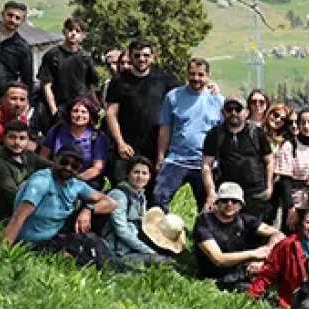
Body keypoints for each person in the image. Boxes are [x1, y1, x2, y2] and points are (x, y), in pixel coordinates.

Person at [3, 147, 116, 246]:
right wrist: (4, 248)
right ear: (55, 159)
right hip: (36, 241)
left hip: (58, 235)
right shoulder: (41, 181)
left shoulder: (75, 184)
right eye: (64, 162)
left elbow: (112, 203)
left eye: (74, 166)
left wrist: (88, 210)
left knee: (107, 207)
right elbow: (18, 217)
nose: (68, 167)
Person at [153, 58, 224, 212]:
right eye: (192, 74)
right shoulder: (173, 97)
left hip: (205, 164)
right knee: (159, 198)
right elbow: (165, 128)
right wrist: (160, 156)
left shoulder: (218, 101)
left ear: (208, 76)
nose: (196, 78)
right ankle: (163, 227)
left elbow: (224, 133)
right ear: (187, 74)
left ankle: (203, 228)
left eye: (200, 75)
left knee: (209, 206)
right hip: (176, 160)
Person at [104, 40, 179, 185]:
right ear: (130, 57)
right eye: (137, 55)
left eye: (146, 55)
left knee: (152, 191)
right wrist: (120, 143)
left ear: (153, 57)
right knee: (121, 188)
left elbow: (184, 96)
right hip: (127, 147)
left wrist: (210, 86)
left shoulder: (164, 80)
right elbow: (111, 113)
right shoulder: (119, 81)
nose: (141, 59)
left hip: (154, 147)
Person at [193, 182, 283, 292]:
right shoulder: (204, 223)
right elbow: (218, 259)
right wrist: (253, 253)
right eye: (225, 200)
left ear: (241, 205)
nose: (229, 204)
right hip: (217, 276)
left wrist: (262, 258)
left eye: (234, 201)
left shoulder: (245, 220)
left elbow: (279, 235)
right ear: (217, 203)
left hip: (243, 270)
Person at [248, 209, 309, 309]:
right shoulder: (287, 245)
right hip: (293, 302)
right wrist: (250, 298)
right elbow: (268, 273)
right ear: (302, 224)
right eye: (308, 222)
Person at [201, 97, 273, 219]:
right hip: (228, 194)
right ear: (223, 112)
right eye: (229, 109)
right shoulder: (214, 134)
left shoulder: (257, 133)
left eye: (238, 109)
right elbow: (206, 165)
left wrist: (269, 186)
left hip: (255, 193)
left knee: (254, 228)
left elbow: (270, 160)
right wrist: (211, 193)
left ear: (246, 112)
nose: (233, 113)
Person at [101, 157, 172, 265]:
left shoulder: (141, 196)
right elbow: (121, 231)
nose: (140, 177)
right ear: (127, 174)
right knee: (166, 262)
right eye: (136, 172)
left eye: (144, 173)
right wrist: (147, 250)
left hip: (134, 244)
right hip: (119, 250)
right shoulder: (119, 195)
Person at [0, 119, 50, 218]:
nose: (17, 142)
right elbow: (14, 196)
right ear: (3, 138)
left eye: (22, 138)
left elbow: (55, 168)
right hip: (6, 213)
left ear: (28, 141)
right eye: (12, 137)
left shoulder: (27, 155)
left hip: (25, 203)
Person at [36, 17, 98, 127]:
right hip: (58, 107)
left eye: (78, 31)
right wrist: (54, 111)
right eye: (70, 29)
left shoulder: (86, 58)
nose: (73, 33)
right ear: (64, 31)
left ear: (82, 36)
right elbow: (46, 86)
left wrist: (94, 106)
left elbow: (90, 86)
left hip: (79, 109)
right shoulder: (52, 55)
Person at [275, 108, 309, 231]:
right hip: (296, 203)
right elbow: (285, 180)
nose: (306, 126)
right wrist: (290, 208)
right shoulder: (290, 146)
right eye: (303, 122)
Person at [38, 96, 109, 188]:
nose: (79, 115)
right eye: (75, 111)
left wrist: (74, 181)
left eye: (84, 112)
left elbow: (97, 168)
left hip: (83, 183)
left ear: (90, 115)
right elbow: (43, 158)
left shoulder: (97, 137)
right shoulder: (57, 130)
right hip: (54, 180)